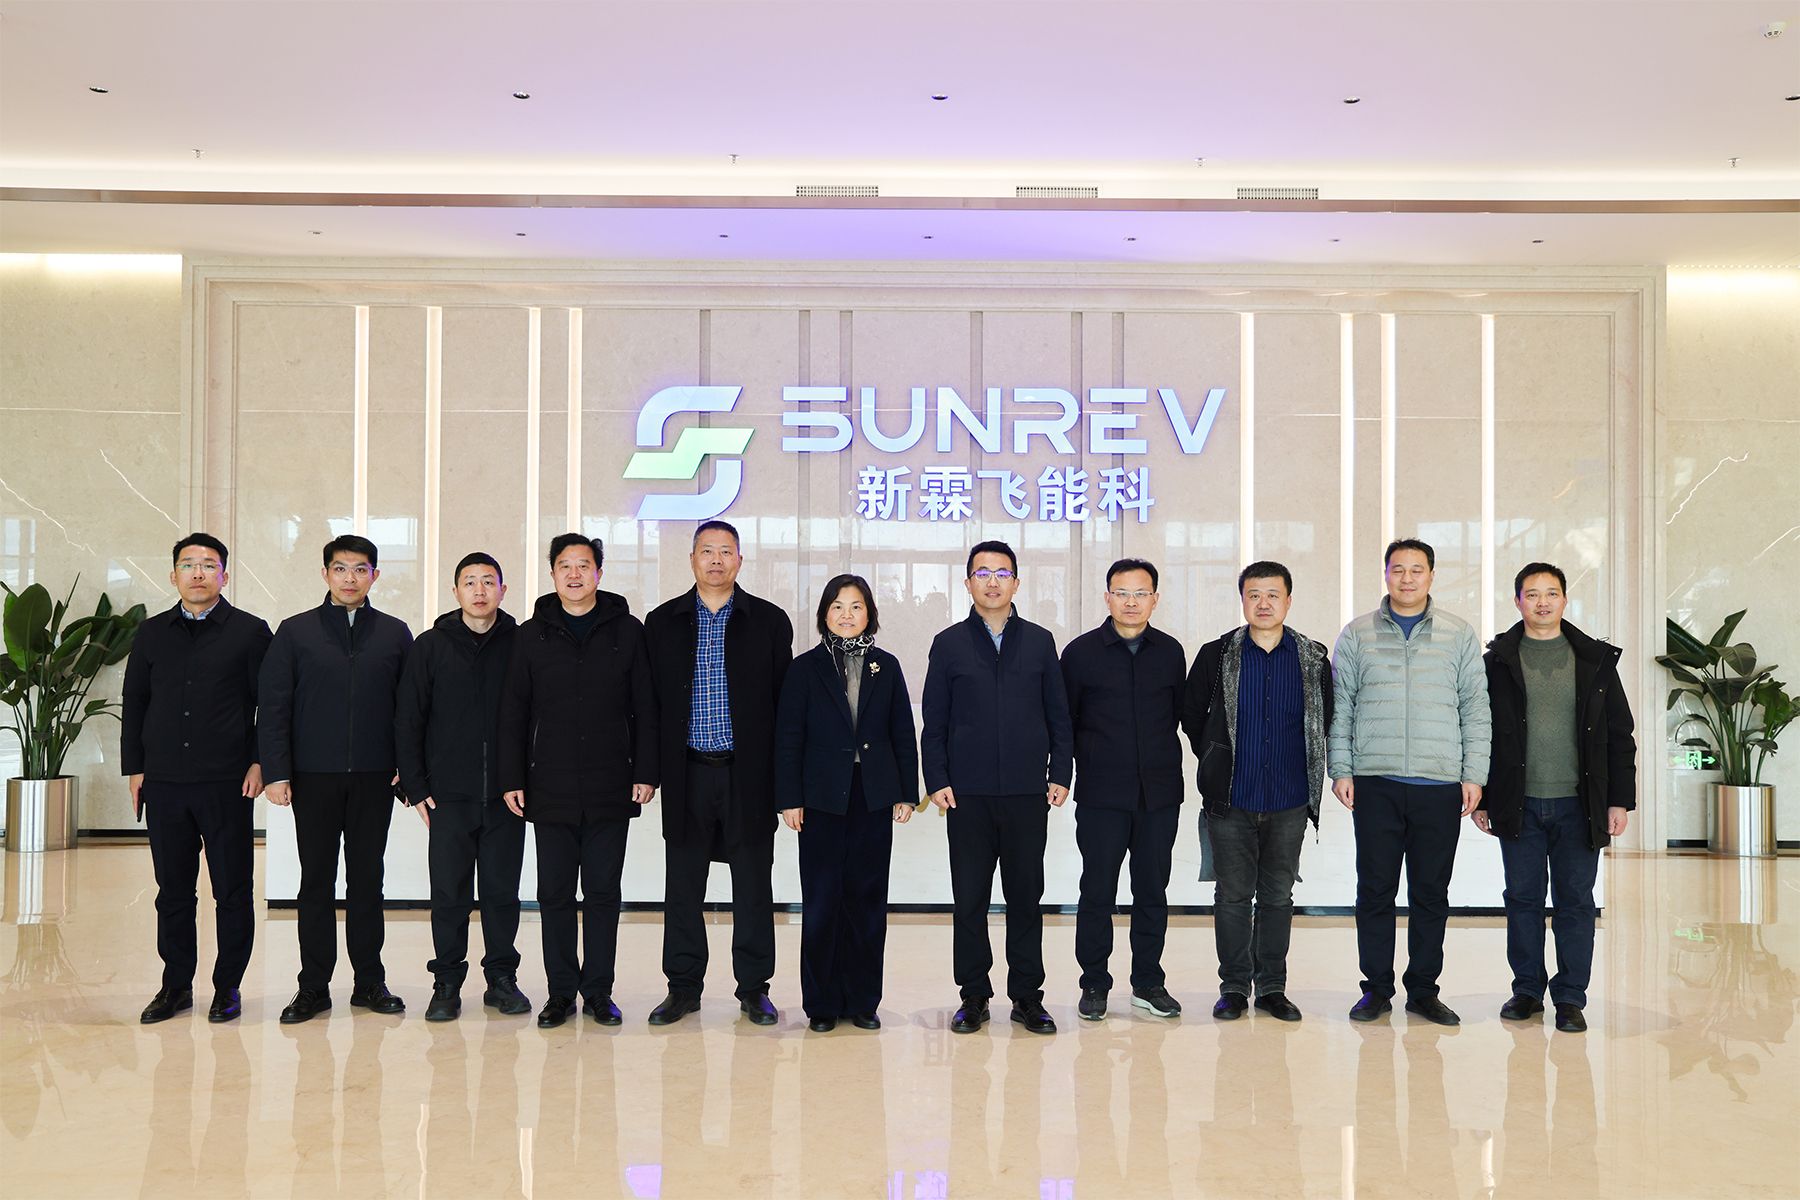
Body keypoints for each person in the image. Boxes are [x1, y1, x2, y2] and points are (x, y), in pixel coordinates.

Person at [1329, 538, 1490, 1026]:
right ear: (1385, 574)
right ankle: (1376, 989)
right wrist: (1341, 768)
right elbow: (1342, 705)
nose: (1407, 578)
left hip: (1438, 783)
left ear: (1431, 576)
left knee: (1430, 893)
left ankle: (1423, 990)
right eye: (1398, 569)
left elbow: (1475, 708)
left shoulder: (1458, 634)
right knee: (1375, 891)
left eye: (1416, 570)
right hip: (1375, 781)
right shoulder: (1357, 634)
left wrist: (1474, 774)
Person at [498, 534, 657, 1028]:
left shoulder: (627, 630)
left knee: (604, 894)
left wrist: (646, 771)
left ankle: (599, 993)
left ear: (599, 574)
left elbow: (646, 705)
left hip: (612, 782)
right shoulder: (531, 635)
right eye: (564, 565)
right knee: (555, 894)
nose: (574, 574)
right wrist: (512, 776)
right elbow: (514, 711)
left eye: (583, 565)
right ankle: (561, 992)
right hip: (549, 784)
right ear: (552, 574)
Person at [644, 520, 793, 1026]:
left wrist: (784, 784)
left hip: (747, 776)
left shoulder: (769, 621)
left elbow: (784, 709)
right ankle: (683, 987)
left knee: (752, 886)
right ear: (691, 559)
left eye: (725, 551)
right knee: (683, 886)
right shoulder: (662, 622)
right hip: (686, 772)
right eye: (706, 551)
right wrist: (648, 772)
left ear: (739, 560)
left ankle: (754, 988)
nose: (715, 560)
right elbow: (649, 706)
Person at [1477, 562, 1637, 1033]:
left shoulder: (1594, 660)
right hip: (1518, 802)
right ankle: (1527, 990)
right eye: (1532, 594)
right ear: (1517, 602)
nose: (1542, 602)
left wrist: (1618, 800)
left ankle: (1570, 997)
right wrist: (1483, 797)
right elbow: (1483, 733)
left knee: (1575, 902)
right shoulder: (1497, 662)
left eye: (1551, 593)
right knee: (1522, 899)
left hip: (1579, 803)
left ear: (1565, 600)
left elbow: (1619, 734)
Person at [260, 534, 414, 1023]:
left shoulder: (394, 633)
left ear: (375, 575)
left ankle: (369, 982)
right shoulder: (295, 632)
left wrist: (407, 769)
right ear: (325, 573)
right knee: (316, 882)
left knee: (368, 879)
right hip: (313, 776)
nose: (351, 578)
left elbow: (410, 709)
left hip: (374, 776)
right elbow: (275, 705)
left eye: (361, 569)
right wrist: (277, 772)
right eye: (341, 569)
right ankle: (313, 987)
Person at [922, 540, 1073, 1035]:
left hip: (1028, 793)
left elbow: (1058, 715)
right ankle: (973, 995)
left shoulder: (1040, 641)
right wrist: (937, 779)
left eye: (1002, 573)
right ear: (968, 582)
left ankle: (1028, 996)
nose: (993, 581)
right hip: (967, 795)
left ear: (1016, 582)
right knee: (969, 899)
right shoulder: (948, 643)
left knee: (1026, 897)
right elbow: (934, 722)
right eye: (983, 573)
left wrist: (1060, 772)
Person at [121, 533, 272, 1024]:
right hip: (164, 781)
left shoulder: (250, 632)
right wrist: (135, 768)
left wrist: (259, 762)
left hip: (227, 781)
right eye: (188, 565)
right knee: (173, 891)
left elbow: (269, 706)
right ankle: (175, 986)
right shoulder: (151, 633)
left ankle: (228, 986)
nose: (198, 573)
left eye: (209, 565)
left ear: (224, 575)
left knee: (232, 891)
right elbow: (135, 701)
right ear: (174, 576)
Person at [1182, 561, 1334, 1023]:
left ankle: (1272, 988)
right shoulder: (1217, 654)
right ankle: (1232, 988)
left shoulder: (1312, 658)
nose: (1263, 603)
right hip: (1232, 799)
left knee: (1277, 898)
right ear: (1242, 600)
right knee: (1232, 897)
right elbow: (1192, 716)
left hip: (1289, 798)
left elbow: (1324, 719)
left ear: (1289, 600)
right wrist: (1216, 758)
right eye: (1254, 595)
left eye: (1273, 595)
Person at [773, 574, 919, 1032]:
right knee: (822, 901)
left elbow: (902, 731)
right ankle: (821, 1003)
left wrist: (905, 792)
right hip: (820, 797)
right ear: (824, 614)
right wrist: (789, 798)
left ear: (869, 614)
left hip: (872, 794)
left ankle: (862, 1000)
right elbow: (788, 737)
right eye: (837, 606)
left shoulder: (886, 666)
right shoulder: (804, 668)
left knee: (867, 900)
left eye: (856, 606)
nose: (846, 615)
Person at [394, 551, 530, 1023]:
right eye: (469, 582)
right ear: (455, 592)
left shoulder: (521, 643)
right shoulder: (430, 646)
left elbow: (535, 715)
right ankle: (447, 982)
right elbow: (408, 718)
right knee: (449, 894)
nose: (479, 590)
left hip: (507, 796)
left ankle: (501, 979)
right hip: (447, 795)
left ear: (503, 590)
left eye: (488, 581)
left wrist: (526, 779)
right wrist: (415, 786)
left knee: (501, 893)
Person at [1059, 558, 1187, 1022]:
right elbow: (1064, 723)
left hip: (1159, 794)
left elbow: (1180, 716)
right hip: (1101, 794)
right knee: (1097, 890)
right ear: (1107, 597)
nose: (1131, 602)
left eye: (1141, 593)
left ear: (1155, 599)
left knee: (1152, 890)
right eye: (1122, 593)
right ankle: (1094, 983)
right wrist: (1063, 775)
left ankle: (1148, 982)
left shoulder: (1170, 652)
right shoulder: (1080, 653)